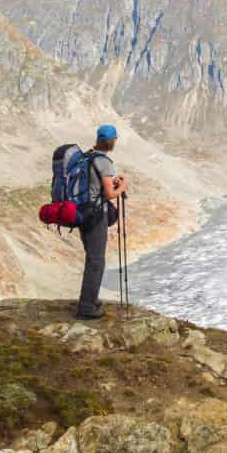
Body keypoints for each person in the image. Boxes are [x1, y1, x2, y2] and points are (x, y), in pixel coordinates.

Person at [75, 123, 129, 320]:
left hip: (83, 213)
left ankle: (90, 300)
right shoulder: (104, 162)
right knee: (96, 261)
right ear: (112, 141)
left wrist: (109, 183)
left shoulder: (87, 156)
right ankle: (87, 307)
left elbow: (95, 186)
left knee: (92, 258)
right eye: (115, 139)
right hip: (96, 216)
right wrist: (122, 186)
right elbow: (110, 193)